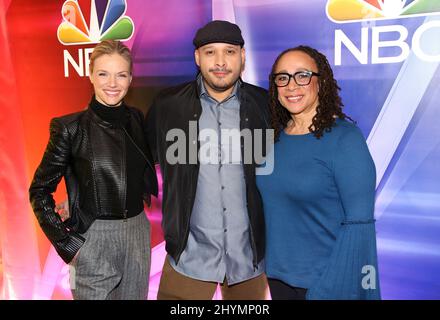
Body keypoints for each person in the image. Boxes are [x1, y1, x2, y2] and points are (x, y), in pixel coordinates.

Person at [145, 20, 270, 300]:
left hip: (248, 261)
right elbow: (137, 158)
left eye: (229, 51)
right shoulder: (169, 105)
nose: (221, 62)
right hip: (188, 258)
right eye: (210, 52)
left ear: (243, 56)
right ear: (197, 58)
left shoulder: (266, 105)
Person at [29, 40, 158, 300]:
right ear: (90, 75)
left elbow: (127, 173)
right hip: (94, 237)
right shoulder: (70, 128)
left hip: (137, 232)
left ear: (130, 78)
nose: (112, 83)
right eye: (103, 74)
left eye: (121, 75)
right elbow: (39, 191)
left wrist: (75, 198)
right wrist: (68, 245)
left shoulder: (135, 118)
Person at [256, 46, 381, 300]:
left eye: (302, 75)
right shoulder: (274, 139)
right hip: (278, 279)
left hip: (328, 284)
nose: (291, 86)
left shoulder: (345, 139)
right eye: (282, 78)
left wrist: (330, 288)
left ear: (320, 82)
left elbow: (360, 227)